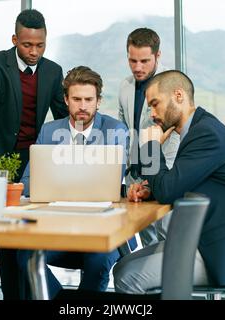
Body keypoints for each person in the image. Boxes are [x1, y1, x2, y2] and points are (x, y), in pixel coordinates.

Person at [113, 70, 225, 294]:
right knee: (121, 267)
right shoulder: (197, 130)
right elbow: (176, 183)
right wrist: (149, 190)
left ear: (178, 95)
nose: (152, 114)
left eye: (155, 104)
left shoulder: (207, 133)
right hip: (208, 239)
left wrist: (150, 147)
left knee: (128, 276)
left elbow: (168, 190)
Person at [0, 9, 68, 299]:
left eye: (40, 45)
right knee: (8, 241)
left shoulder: (53, 71)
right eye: (27, 45)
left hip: (33, 163)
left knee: (31, 236)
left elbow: (63, 116)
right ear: (15, 39)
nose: (34, 51)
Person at [18, 66, 136, 299]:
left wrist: (60, 183)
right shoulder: (50, 131)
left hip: (102, 229)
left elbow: (111, 181)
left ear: (98, 101)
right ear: (66, 100)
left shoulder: (115, 131)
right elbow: (29, 181)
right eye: (76, 99)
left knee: (99, 258)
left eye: (89, 99)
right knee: (24, 255)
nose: (83, 106)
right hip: (58, 227)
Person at [118, 28, 180, 246]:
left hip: (161, 175)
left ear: (158, 56)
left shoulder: (171, 87)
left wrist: (161, 178)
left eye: (144, 61)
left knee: (167, 242)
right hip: (134, 176)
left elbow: (174, 137)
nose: (137, 67)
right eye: (132, 60)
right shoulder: (125, 87)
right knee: (148, 244)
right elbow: (126, 131)